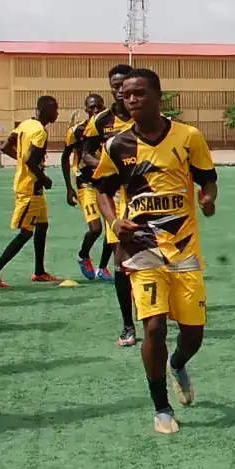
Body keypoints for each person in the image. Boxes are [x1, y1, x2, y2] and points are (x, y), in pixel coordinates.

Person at [94, 69, 219, 434]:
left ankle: (178, 364)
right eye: (126, 95)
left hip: (183, 249)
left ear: (158, 96)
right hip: (141, 248)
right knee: (154, 328)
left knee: (193, 333)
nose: (131, 99)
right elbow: (103, 189)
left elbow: (207, 177)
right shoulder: (117, 145)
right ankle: (161, 407)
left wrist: (208, 198)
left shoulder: (188, 136)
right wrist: (114, 221)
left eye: (139, 93)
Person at [79, 65, 137, 344]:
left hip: (145, 196)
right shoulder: (101, 121)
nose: (119, 90)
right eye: (114, 85)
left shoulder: (145, 117)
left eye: (123, 84)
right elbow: (86, 153)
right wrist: (109, 167)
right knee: (121, 260)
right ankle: (128, 325)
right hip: (113, 196)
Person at [0, 95, 61, 286]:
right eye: (55, 110)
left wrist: (19, 158)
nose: (57, 114)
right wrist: (45, 178)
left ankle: (40, 272)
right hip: (30, 187)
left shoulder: (25, 124)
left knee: (43, 225)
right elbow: (30, 161)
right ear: (45, 111)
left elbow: (5, 146)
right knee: (26, 232)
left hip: (32, 187)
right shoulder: (40, 132)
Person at [62, 93, 108, 280]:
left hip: (106, 184)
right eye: (92, 107)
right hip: (85, 184)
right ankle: (83, 255)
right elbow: (65, 157)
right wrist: (68, 187)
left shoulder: (110, 128)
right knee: (96, 228)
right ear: (86, 109)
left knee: (114, 230)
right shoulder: (77, 131)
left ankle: (103, 268)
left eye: (98, 106)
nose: (95, 110)